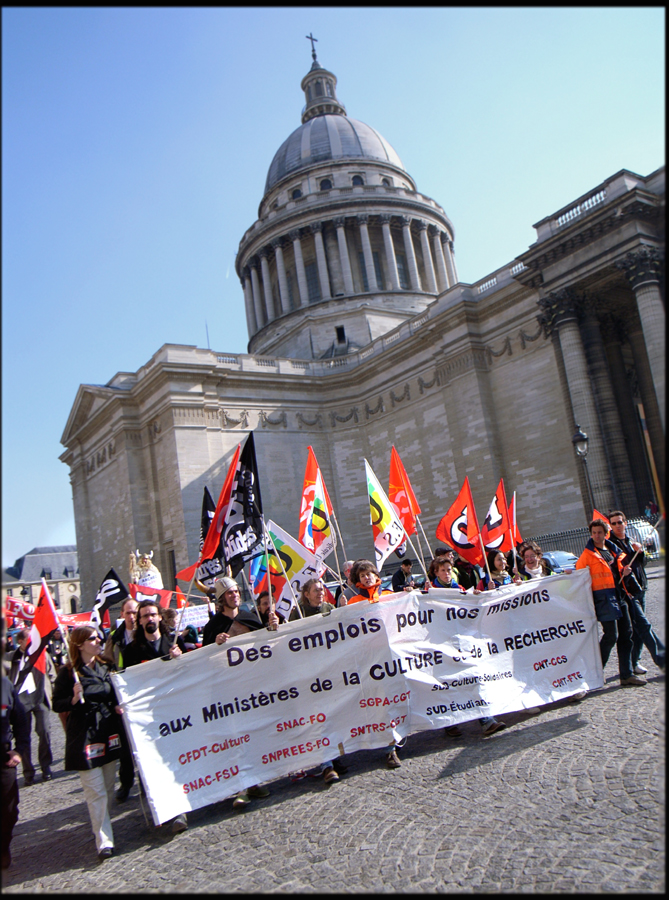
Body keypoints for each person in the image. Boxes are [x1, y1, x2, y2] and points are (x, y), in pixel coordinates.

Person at [52, 626, 125, 861]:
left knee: (106, 786)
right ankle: (104, 840)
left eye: (99, 637)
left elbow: (115, 693)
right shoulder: (69, 672)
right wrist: (73, 698)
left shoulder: (106, 665)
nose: (99, 641)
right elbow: (57, 703)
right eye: (93, 638)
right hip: (84, 735)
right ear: (80, 644)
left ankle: (103, 825)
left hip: (107, 731)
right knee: (95, 792)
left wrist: (117, 705)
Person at [123, 601, 187, 833]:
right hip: (147, 718)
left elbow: (190, 672)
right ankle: (162, 807)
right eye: (144, 616)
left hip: (174, 711)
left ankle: (179, 809)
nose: (149, 619)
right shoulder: (131, 651)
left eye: (152, 614)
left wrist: (181, 658)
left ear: (160, 617)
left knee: (176, 759)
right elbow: (125, 684)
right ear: (139, 621)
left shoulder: (174, 642)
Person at [575, 519, 646, 687]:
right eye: (594, 533)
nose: (597, 535)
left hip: (620, 596)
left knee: (626, 635)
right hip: (603, 599)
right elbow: (579, 577)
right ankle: (595, 673)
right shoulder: (587, 555)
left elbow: (618, 569)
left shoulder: (614, 551)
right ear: (591, 534)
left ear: (605, 533)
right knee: (610, 636)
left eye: (600, 532)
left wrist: (624, 570)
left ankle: (626, 674)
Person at [607, 510, 665, 674]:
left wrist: (641, 553)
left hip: (641, 588)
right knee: (645, 626)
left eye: (620, 522)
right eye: (614, 523)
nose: (618, 525)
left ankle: (634, 662)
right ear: (610, 526)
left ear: (625, 523)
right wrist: (621, 573)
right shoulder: (611, 545)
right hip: (628, 592)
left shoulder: (631, 540)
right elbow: (612, 569)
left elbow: (642, 563)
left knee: (639, 630)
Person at [9, 627, 56, 785]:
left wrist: (53, 692)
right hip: (21, 702)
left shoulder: (41, 653)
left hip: (40, 698)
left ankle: (46, 766)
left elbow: (52, 674)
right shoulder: (11, 658)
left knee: (44, 731)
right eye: (28, 641)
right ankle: (28, 771)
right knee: (24, 736)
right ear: (20, 642)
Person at [1, 672, 30, 870]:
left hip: (3, 758)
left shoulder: (4, 684)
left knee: (9, 811)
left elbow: (21, 719)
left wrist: (19, 750)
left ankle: (2, 847)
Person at [202, 577, 241, 646]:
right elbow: (205, 653)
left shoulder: (250, 618)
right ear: (221, 598)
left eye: (236, 591)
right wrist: (215, 643)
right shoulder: (212, 626)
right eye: (230, 592)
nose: (235, 595)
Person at [102, 597, 139, 670]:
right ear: (122, 614)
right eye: (128, 613)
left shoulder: (146, 633)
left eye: (134, 613)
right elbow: (107, 659)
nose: (131, 617)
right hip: (123, 676)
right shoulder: (114, 636)